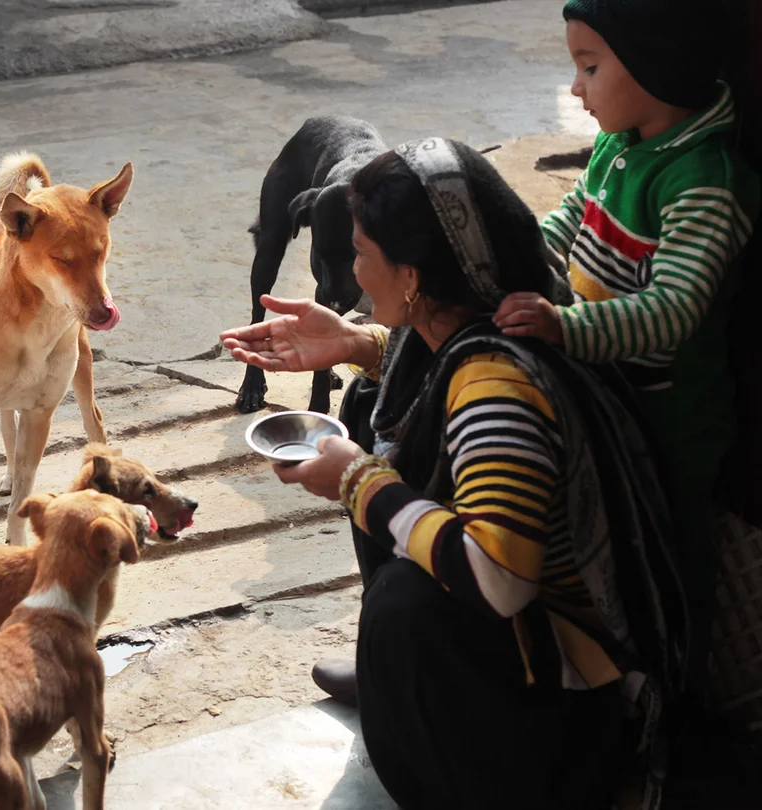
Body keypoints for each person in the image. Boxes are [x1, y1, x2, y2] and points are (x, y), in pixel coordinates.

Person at [221, 139, 685, 809]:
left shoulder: (496, 386)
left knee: (404, 609)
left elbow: (499, 581)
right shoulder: (475, 320)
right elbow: (423, 372)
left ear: (412, 276)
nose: (352, 271)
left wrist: (358, 483)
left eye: (361, 254)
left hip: (573, 708)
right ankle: (408, 692)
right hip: (534, 655)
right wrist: (354, 343)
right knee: (366, 402)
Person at [491, 0, 761, 687]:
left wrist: (565, 326)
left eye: (588, 66)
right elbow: (566, 225)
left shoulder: (704, 181)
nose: (574, 89)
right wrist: (517, 265)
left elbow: (674, 310)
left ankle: (676, 686)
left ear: (656, 63)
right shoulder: (620, 143)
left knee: (670, 556)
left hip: (672, 423)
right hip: (610, 390)